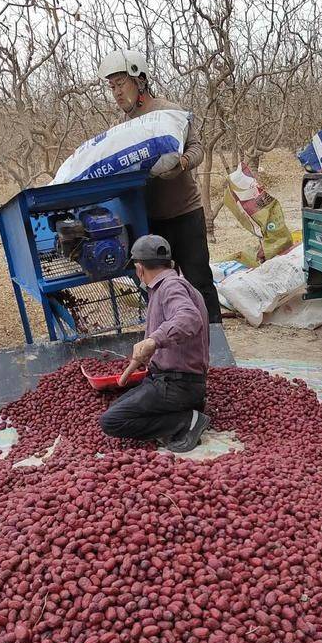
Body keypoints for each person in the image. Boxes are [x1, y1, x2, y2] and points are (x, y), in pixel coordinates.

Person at [97, 48, 222, 324]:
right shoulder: (123, 127)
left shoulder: (169, 112)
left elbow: (196, 147)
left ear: (139, 81)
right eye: (111, 87)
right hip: (151, 221)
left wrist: (183, 164)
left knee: (199, 280)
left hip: (186, 213)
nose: (116, 93)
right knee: (159, 287)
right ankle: (172, 340)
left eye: (120, 84)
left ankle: (215, 343)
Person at [100, 235, 211, 453]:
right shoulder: (178, 286)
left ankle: (187, 420)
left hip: (178, 386)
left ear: (139, 268)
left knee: (111, 421)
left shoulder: (170, 287)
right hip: (173, 381)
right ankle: (185, 411)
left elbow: (188, 318)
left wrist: (153, 340)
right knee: (119, 408)